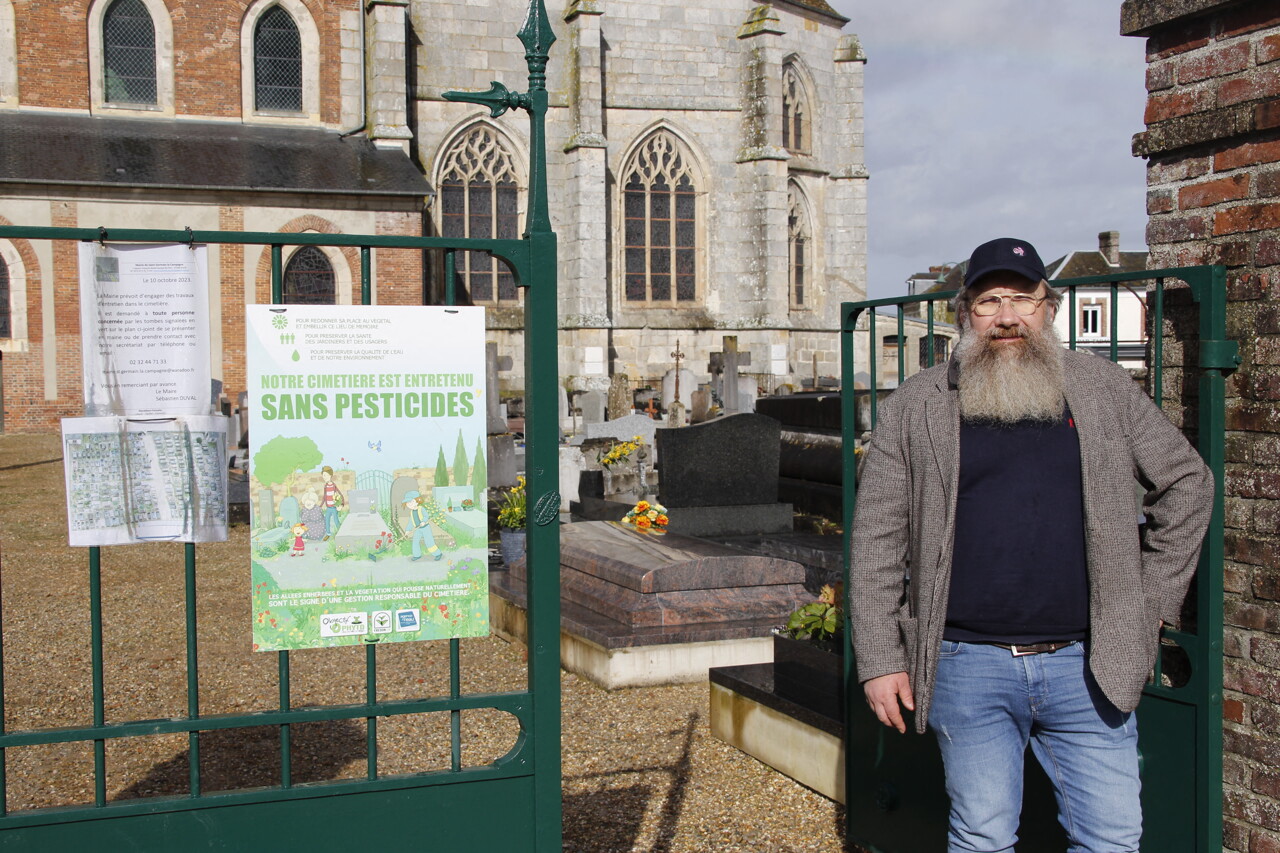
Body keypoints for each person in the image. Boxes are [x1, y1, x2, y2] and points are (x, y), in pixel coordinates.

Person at [850, 237, 1214, 852]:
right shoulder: (918, 404)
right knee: (983, 836)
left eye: (1023, 298)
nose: (1008, 315)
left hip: (1088, 665)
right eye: (990, 300)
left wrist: (1147, 605)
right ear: (966, 312)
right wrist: (881, 657)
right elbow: (878, 535)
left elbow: (1187, 484)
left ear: (1049, 307)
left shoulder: (1102, 388)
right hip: (967, 665)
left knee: (1114, 838)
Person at [403, 490, 444, 561]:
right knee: (415, 542)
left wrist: (423, 521)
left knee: (429, 542)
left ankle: (437, 554)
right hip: (417, 529)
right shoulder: (412, 512)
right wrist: (408, 530)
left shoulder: (421, 509)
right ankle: (417, 555)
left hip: (425, 528)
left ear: (417, 500)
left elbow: (426, 516)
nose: (409, 504)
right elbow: (411, 521)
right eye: (407, 503)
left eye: (411, 502)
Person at [320, 466, 344, 540]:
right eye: (323, 475)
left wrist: (341, 505)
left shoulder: (333, 486)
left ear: (330, 475)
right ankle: (328, 533)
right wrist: (320, 506)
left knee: (336, 520)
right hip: (328, 508)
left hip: (334, 508)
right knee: (326, 520)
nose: (324, 477)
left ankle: (341, 532)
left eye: (325, 475)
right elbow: (325, 497)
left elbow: (340, 495)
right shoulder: (325, 486)